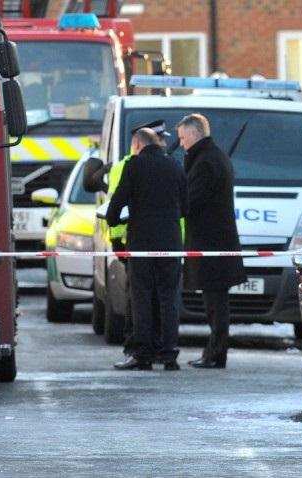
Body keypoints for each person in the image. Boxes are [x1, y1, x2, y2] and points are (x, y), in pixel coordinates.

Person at [107, 127, 187, 371]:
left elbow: (116, 204)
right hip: (171, 243)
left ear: (137, 145)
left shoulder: (134, 166)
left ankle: (143, 354)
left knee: (141, 297)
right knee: (169, 297)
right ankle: (169, 353)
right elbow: (186, 207)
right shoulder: (175, 166)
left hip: (141, 244)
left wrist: (114, 221)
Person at [177, 113, 247, 369]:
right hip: (216, 243)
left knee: (215, 305)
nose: (182, 144)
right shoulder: (212, 157)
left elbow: (191, 201)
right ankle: (214, 352)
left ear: (195, 135)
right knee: (215, 304)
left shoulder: (205, 162)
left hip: (212, 245)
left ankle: (215, 354)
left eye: (183, 138)